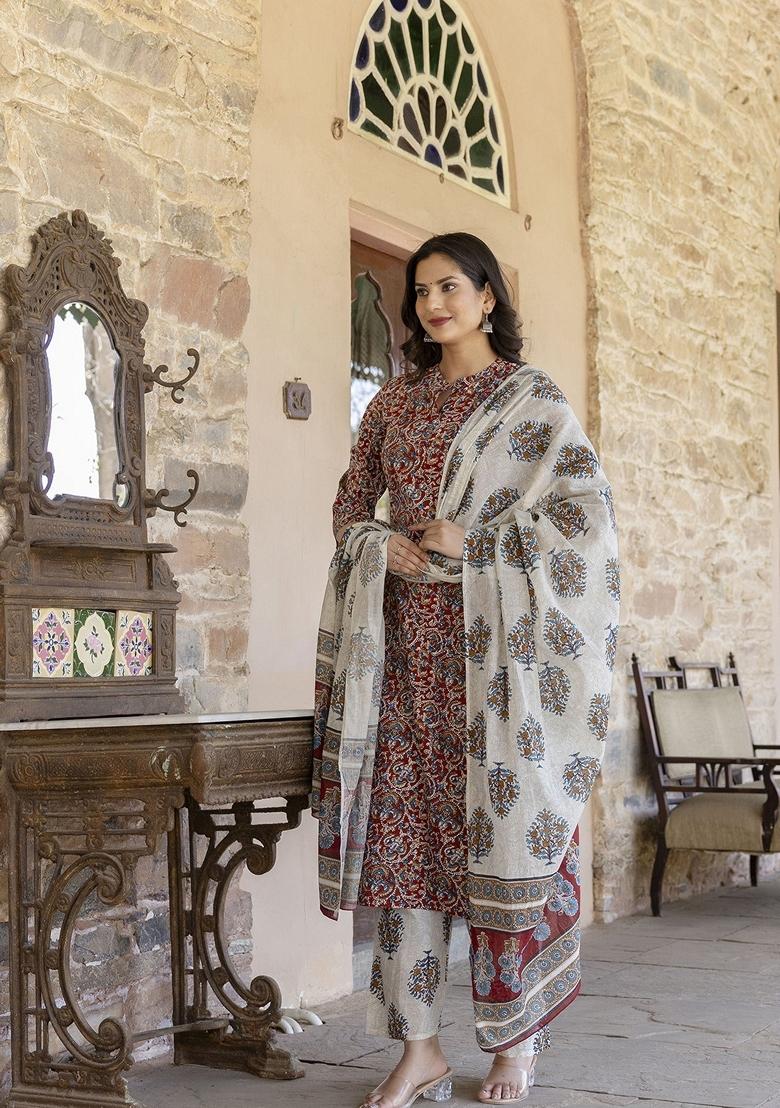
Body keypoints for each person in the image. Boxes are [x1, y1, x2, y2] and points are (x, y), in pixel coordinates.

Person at [312, 233, 620, 1106]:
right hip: (405, 663)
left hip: (504, 672)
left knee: (503, 850)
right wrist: (381, 546)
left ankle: (515, 1046)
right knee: (407, 859)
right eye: (420, 292)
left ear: (489, 297)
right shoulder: (394, 406)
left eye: (451, 287)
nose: (432, 304)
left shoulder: (532, 404)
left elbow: (586, 528)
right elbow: (347, 507)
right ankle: (419, 1049)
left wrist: (482, 545)